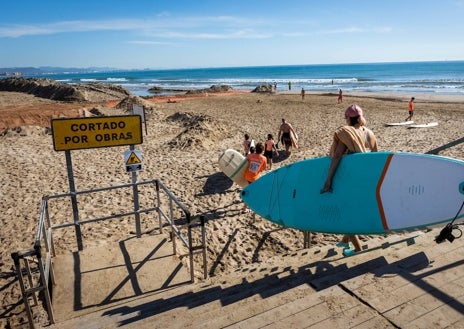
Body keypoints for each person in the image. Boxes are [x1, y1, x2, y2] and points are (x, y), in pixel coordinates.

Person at [321, 104, 378, 256]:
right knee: (354, 209)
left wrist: (328, 180)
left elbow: (337, 155)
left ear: (348, 119)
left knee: (346, 214)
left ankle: (358, 250)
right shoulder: (370, 134)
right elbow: (375, 158)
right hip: (365, 180)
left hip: (349, 179)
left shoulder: (346, 134)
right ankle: (345, 240)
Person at [242, 142, 267, 213]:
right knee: (251, 193)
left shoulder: (250, 156)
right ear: (263, 150)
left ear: (255, 148)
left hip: (246, 176)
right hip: (254, 179)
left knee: (250, 190)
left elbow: (244, 163)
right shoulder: (264, 158)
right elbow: (263, 168)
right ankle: (244, 209)